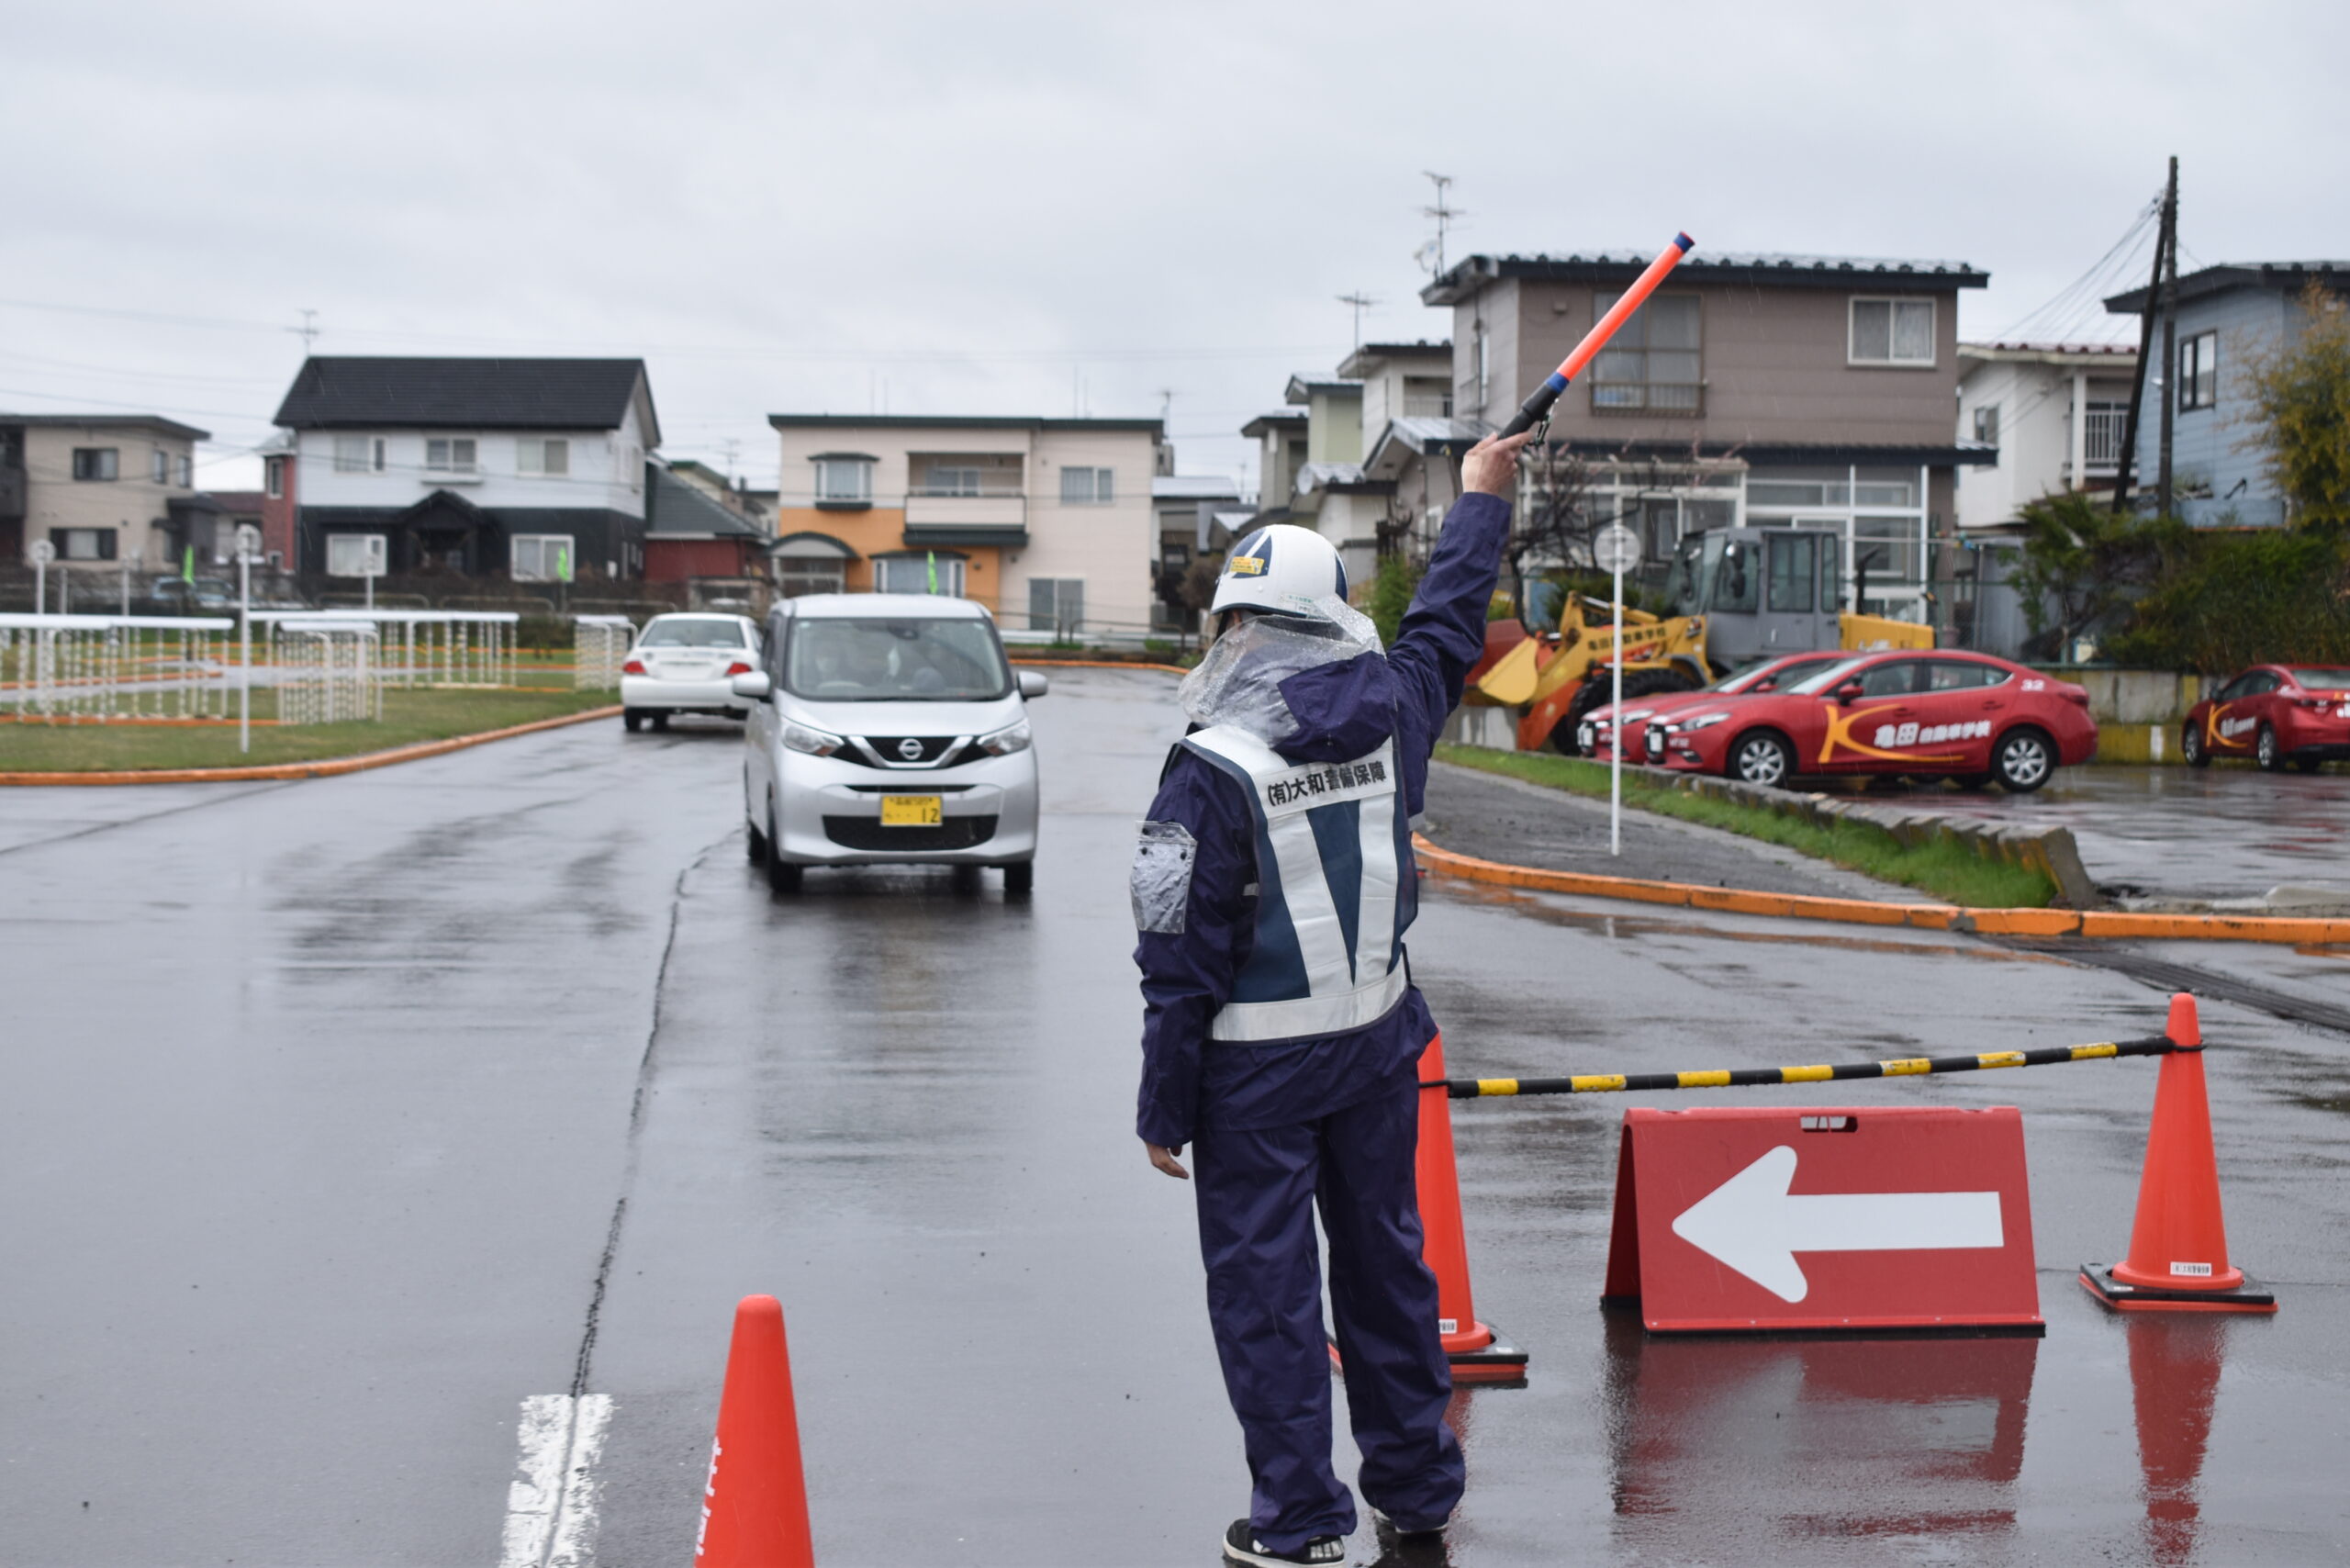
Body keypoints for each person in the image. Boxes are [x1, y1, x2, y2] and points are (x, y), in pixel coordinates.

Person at [1129, 431, 1531, 1567]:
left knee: (1269, 1300)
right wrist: (1479, 502)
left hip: (1253, 1076)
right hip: (1373, 1052)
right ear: (1339, 616)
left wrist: (1164, 1106)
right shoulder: (1396, 710)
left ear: (1235, 625)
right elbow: (1449, 620)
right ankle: (1416, 1490)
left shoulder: (1210, 769)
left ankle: (1300, 1522)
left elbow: (1177, 955)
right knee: (1388, 1272)